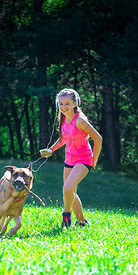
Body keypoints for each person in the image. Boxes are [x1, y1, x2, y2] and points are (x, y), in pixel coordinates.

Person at [40, 88, 102, 228]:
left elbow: (98, 138)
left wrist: (95, 159)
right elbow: (63, 140)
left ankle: (66, 216)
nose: (63, 107)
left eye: (67, 103)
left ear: (75, 104)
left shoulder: (80, 121)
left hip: (84, 160)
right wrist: (51, 150)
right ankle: (82, 222)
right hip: (69, 160)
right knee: (71, 192)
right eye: (61, 104)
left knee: (67, 189)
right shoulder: (63, 120)